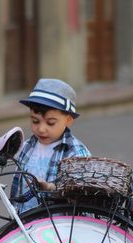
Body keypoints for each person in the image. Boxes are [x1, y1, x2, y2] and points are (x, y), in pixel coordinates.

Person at [10, 78, 91, 214]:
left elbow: (82, 194)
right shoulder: (26, 146)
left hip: (58, 228)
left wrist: (51, 188)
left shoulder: (76, 154)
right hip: (24, 221)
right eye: (35, 121)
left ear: (68, 120)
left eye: (50, 123)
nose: (41, 129)